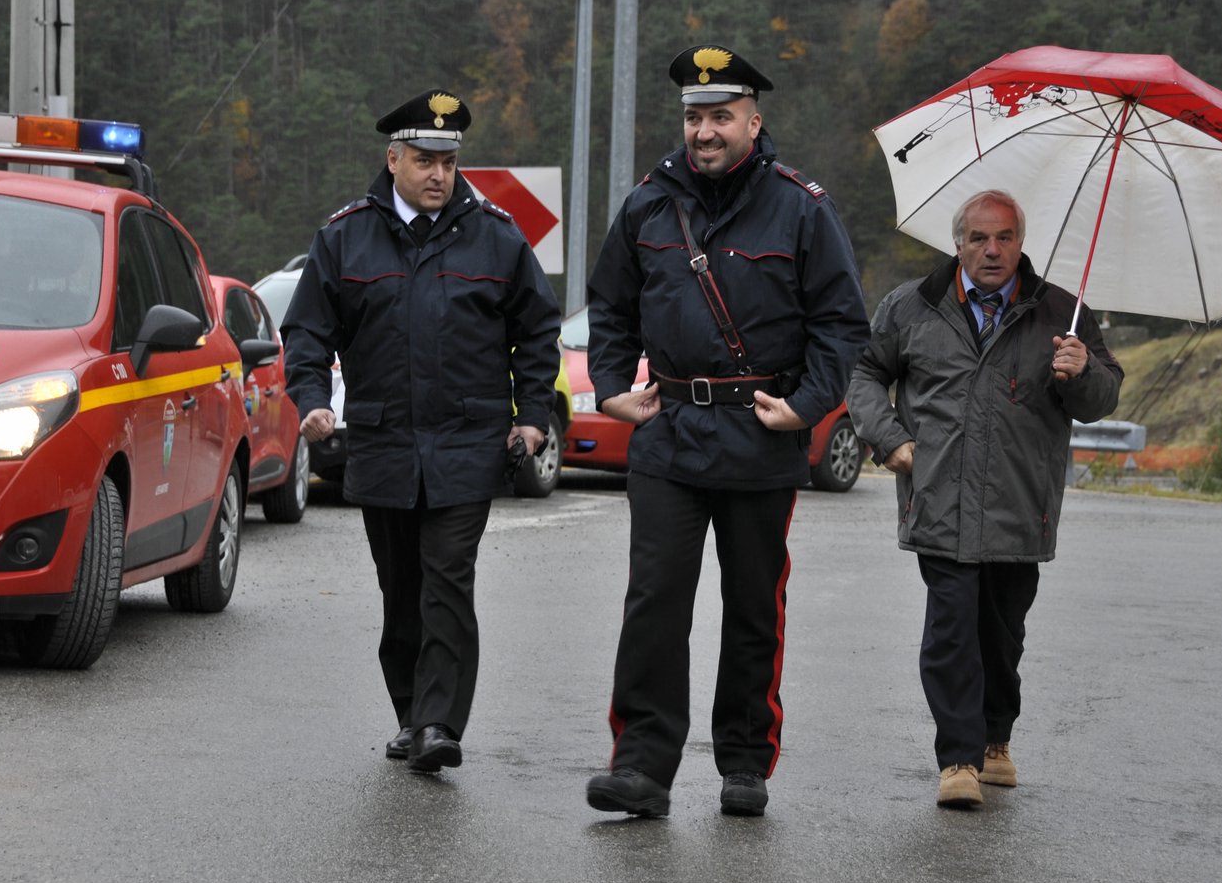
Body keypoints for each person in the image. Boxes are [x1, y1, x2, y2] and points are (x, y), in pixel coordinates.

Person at [584, 44, 870, 817]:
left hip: (759, 432)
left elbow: (842, 324)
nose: (703, 131)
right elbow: (608, 304)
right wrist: (612, 386)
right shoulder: (648, 204)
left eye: (719, 116)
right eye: (693, 117)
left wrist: (808, 405)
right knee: (655, 602)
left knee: (752, 606)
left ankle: (745, 760)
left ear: (754, 119)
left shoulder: (802, 207)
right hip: (670, 432)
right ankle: (642, 765)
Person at [281, 89, 561, 773]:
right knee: (400, 589)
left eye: (449, 160)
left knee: (447, 579)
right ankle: (411, 712)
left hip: (469, 442)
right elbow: (308, 331)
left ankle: (440, 722)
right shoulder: (345, 235)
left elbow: (537, 331)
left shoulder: (495, 235)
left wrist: (532, 418)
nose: (439, 174)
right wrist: (312, 400)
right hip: (381, 444)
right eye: (425, 160)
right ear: (393, 159)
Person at [844, 189, 1122, 809]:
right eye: (978, 238)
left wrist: (1085, 372)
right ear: (958, 243)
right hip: (938, 498)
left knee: (1002, 634)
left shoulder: (1063, 314)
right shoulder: (912, 306)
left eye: (1004, 238)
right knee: (951, 632)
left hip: (1020, 506)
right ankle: (959, 759)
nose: (991, 250)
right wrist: (890, 440)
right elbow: (864, 374)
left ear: (1022, 243)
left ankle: (997, 739)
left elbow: (1102, 402)